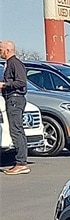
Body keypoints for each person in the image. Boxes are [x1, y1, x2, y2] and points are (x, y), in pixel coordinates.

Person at [0, 40, 30, 174]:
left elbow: (21, 82)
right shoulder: (10, 64)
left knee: (16, 130)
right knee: (17, 130)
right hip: (12, 99)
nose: (0, 52)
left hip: (15, 99)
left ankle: (21, 163)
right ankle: (21, 161)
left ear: (7, 50)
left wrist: (4, 85)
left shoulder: (15, 63)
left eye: (0, 50)